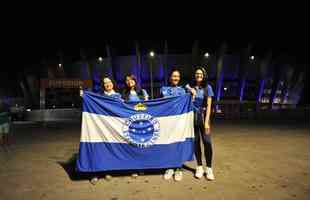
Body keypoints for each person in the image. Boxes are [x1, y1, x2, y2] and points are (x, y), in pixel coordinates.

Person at [80, 76, 121, 185]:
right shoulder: (99, 96)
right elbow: (90, 102)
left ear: (113, 83)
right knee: (98, 148)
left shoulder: (119, 96)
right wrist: (84, 96)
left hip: (113, 127)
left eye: (109, 82)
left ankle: (107, 171)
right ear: (103, 85)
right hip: (99, 125)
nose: (108, 84)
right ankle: (94, 173)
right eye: (105, 83)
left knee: (109, 149)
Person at [186, 66, 215, 180]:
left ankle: (209, 168)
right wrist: (190, 89)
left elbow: (208, 106)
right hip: (192, 118)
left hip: (203, 117)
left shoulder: (207, 88)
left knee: (207, 142)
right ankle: (199, 167)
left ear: (204, 76)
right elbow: (185, 87)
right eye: (197, 74)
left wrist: (207, 122)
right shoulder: (191, 87)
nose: (198, 75)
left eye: (201, 74)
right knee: (196, 143)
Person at [160, 69, 187, 181]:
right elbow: (159, 103)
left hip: (179, 122)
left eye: (177, 76)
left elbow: (187, 103)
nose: (175, 78)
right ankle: (170, 167)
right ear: (170, 77)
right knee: (168, 144)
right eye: (174, 76)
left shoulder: (183, 91)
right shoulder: (163, 89)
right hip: (167, 122)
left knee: (178, 144)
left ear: (179, 78)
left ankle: (178, 168)